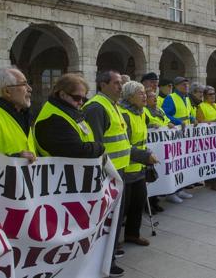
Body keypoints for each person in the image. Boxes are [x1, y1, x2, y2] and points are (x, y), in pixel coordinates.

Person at [83, 70, 130, 277]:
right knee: (108, 219)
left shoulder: (112, 105)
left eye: (121, 83)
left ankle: (109, 254)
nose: (121, 87)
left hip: (119, 170)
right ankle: (105, 263)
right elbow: (97, 144)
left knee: (117, 218)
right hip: (107, 173)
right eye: (116, 83)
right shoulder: (96, 107)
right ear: (103, 85)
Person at [119, 81, 159, 247]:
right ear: (129, 97)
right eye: (140, 93)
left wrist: (146, 153)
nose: (145, 96)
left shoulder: (141, 113)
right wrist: (145, 156)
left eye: (144, 93)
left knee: (138, 203)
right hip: (125, 169)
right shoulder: (124, 114)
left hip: (139, 168)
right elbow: (124, 144)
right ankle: (113, 241)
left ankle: (132, 234)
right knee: (123, 208)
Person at [33, 73, 103, 158]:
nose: (81, 102)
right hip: (61, 170)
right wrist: (99, 148)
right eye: (77, 98)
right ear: (62, 94)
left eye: (84, 99)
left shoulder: (69, 110)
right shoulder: (53, 120)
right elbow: (78, 150)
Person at [160, 76, 195, 202]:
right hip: (175, 135)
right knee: (174, 163)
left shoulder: (186, 98)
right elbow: (165, 114)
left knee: (182, 164)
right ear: (176, 86)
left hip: (185, 135)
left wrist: (192, 119)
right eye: (183, 84)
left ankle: (180, 189)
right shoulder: (171, 98)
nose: (186, 86)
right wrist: (178, 122)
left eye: (187, 84)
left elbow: (188, 113)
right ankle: (171, 192)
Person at [144, 88, 173, 214]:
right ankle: (148, 204)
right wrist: (151, 126)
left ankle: (155, 202)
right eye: (151, 97)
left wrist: (170, 124)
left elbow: (166, 120)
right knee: (150, 176)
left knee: (159, 174)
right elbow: (144, 125)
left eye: (155, 96)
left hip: (162, 146)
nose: (155, 99)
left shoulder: (159, 110)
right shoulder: (144, 111)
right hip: (152, 147)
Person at [196, 86, 216, 191]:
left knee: (214, 158)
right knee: (210, 159)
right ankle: (213, 182)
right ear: (205, 96)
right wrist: (212, 121)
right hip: (206, 137)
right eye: (210, 94)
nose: (213, 96)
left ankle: (208, 180)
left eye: (214, 93)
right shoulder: (201, 106)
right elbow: (200, 121)